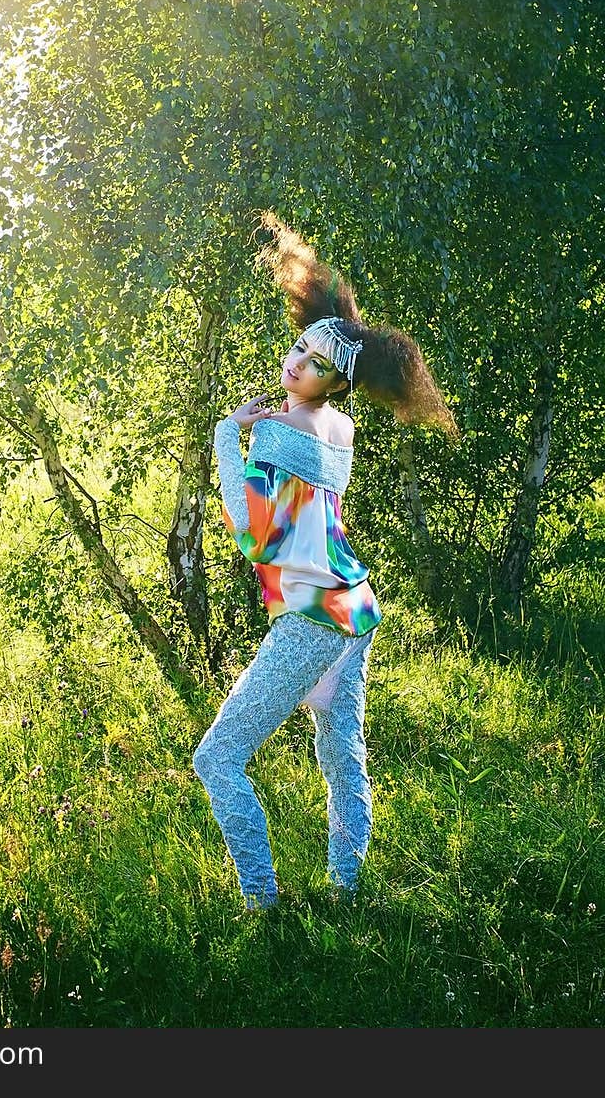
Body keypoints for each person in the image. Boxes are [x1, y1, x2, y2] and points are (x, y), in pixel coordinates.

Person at [192, 210, 459, 910]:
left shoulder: (278, 431)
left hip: (314, 614)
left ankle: (263, 905)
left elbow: (253, 535)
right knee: (341, 754)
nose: (296, 363)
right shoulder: (340, 427)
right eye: (301, 347)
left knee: (217, 758)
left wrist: (229, 436)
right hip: (356, 604)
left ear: (338, 382)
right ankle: (346, 889)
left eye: (316, 363)